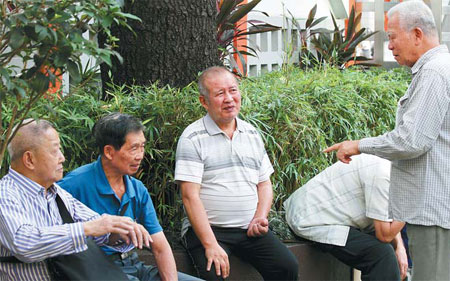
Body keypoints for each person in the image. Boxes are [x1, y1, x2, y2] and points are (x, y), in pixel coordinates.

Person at [323, 2, 450, 280]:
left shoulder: (434, 72)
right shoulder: (439, 68)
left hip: (434, 212)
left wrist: (358, 145)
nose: (389, 45)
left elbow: (411, 141)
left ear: (417, 34)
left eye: (392, 36)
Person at [174, 66, 299, 281]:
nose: (229, 99)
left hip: (249, 230)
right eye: (220, 93)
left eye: (233, 90)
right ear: (204, 101)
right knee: (214, 275)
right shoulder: (192, 137)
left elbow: (264, 184)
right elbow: (189, 196)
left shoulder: (251, 133)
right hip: (209, 230)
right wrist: (210, 244)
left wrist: (260, 217)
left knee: (287, 267)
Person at [0, 119, 151, 281]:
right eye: (54, 151)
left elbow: (96, 224)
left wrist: (120, 229)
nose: (62, 158)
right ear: (29, 160)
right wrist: (88, 228)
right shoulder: (6, 194)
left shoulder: (56, 192)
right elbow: (24, 244)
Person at [58, 113, 200, 281]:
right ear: (109, 151)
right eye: (133, 148)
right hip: (96, 269)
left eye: (142, 147)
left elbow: (160, 247)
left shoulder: (137, 189)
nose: (140, 155)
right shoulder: (73, 185)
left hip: (133, 265)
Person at [284, 154, 408, 280]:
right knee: (382, 255)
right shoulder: (383, 174)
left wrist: (400, 247)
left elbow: (387, 217)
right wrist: (413, 205)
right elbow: (385, 235)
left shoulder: (392, 167)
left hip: (330, 215)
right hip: (312, 219)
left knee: (392, 249)